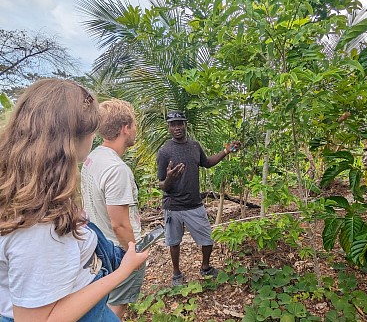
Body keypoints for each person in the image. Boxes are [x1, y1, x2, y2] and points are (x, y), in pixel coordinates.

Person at [0, 78, 148, 322]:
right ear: (70, 139)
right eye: (90, 129)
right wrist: (123, 271)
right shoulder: (37, 224)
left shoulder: (39, 193)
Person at [157, 110, 240, 286]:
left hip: (194, 204)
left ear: (185, 124)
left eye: (180, 123)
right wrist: (170, 179)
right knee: (174, 242)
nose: (177, 127)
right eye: (173, 124)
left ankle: (205, 267)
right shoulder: (164, 152)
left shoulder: (194, 146)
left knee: (207, 239)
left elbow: (207, 163)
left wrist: (226, 151)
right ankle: (176, 273)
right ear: (169, 127)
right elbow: (161, 184)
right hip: (173, 205)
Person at [81, 99, 144, 320]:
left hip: (97, 245)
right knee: (117, 305)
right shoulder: (117, 169)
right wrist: (132, 255)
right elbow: (119, 224)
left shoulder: (92, 157)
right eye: (134, 125)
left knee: (104, 301)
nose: (136, 130)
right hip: (116, 250)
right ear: (125, 128)